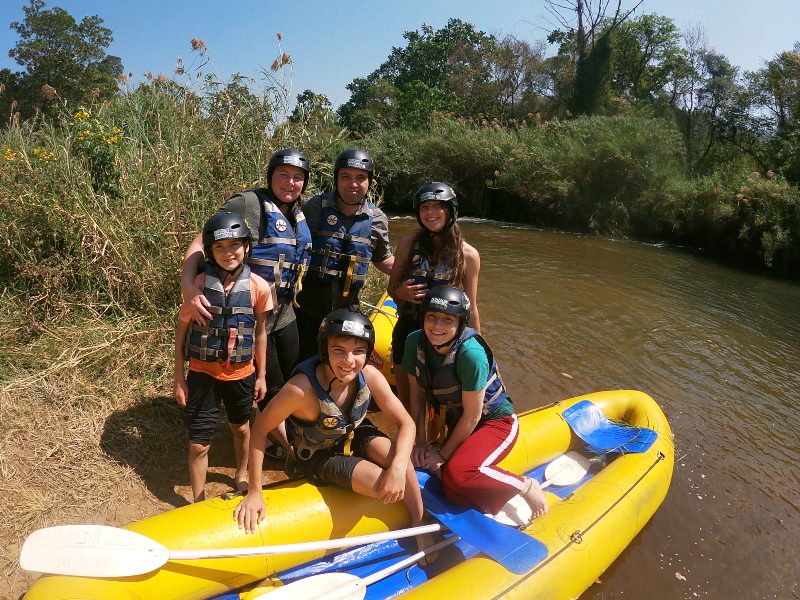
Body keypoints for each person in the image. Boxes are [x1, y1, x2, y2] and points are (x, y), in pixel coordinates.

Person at [234, 308, 433, 557]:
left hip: (354, 432)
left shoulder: (370, 375)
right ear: (324, 350)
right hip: (319, 453)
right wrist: (255, 491)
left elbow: (407, 423)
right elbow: (260, 429)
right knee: (384, 486)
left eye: (358, 351)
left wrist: (398, 467)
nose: (349, 361)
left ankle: (419, 523)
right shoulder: (300, 390)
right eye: (339, 350)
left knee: (400, 463)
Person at [181, 148, 312, 460]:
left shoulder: (299, 211)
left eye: (297, 177)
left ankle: (274, 435)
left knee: (287, 381)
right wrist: (188, 286)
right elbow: (202, 240)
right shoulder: (249, 203)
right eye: (283, 175)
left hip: (285, 314)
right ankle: (280, 447)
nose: (290, 183)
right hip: (249, 315)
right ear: (270, 176)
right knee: (272, 386)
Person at [403, 286, 547, 520]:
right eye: (432, 317)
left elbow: (472, 416)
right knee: (451, 490)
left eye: (448, 320)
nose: (437, 326)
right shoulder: (413, 343)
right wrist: (419, 443)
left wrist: (442, 455)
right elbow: (417, 397)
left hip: (495, 422)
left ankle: (525, 486)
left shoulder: (471, 354)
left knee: (458, 474)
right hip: (459, 421)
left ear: (460, 323)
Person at [174, 212, 272, 502]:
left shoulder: (258, 287)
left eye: (234, 245)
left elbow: (261, 334)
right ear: (209, 251)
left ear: (246, 247)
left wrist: (262, 375)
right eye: (220, 247)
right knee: (198, 444)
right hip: (202, 374)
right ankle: (198, 499)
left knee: (240, 428)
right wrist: (179, 378)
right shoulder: (198, 287)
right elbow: (181, 333)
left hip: (242, 374)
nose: (228, 253)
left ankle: (241, 474)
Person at [294, 148, 394, 362]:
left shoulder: (377, 219)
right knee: (303, 364)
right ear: (336, 179)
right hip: (307, 308)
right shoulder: (315, 207)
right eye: (346, 177)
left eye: (360, 178)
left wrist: (414, 273)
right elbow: (292, 246)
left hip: (347, 310)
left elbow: (383, 259)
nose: (353, 184)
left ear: (369, 182)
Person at [388, 182, 480, 410]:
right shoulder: (407, 245)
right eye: (424, 207)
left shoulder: (468, 255)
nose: (430, 213)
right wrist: (400, 292)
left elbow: (472, 308)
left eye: (437, 207)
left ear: (450, 211)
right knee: (406, 399)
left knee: (442, 403)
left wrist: (479, 348)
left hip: (444, 335)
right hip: (408, 327)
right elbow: (391, 288)